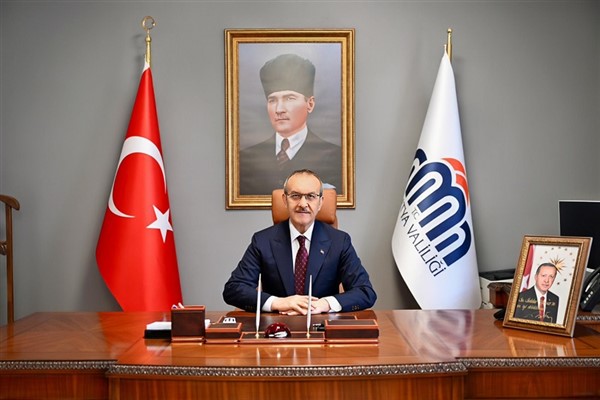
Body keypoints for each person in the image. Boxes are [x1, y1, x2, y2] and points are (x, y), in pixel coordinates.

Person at [223, 169, 376, 315]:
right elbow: (233, 289)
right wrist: (278, 302)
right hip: (277, 326)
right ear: (285, 200)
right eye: (295, 196)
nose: (303, 204)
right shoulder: (263, 241)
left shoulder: (339, 242)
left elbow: (365, 291)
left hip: (322, 326)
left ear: (320, 202)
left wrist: (325, 304)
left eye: (311, 196)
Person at [239, 53, 342, 195]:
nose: (279, 109)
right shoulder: (246, 159)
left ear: (310, 104)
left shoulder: (335, 158)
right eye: (272, 100)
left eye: (289, 98)